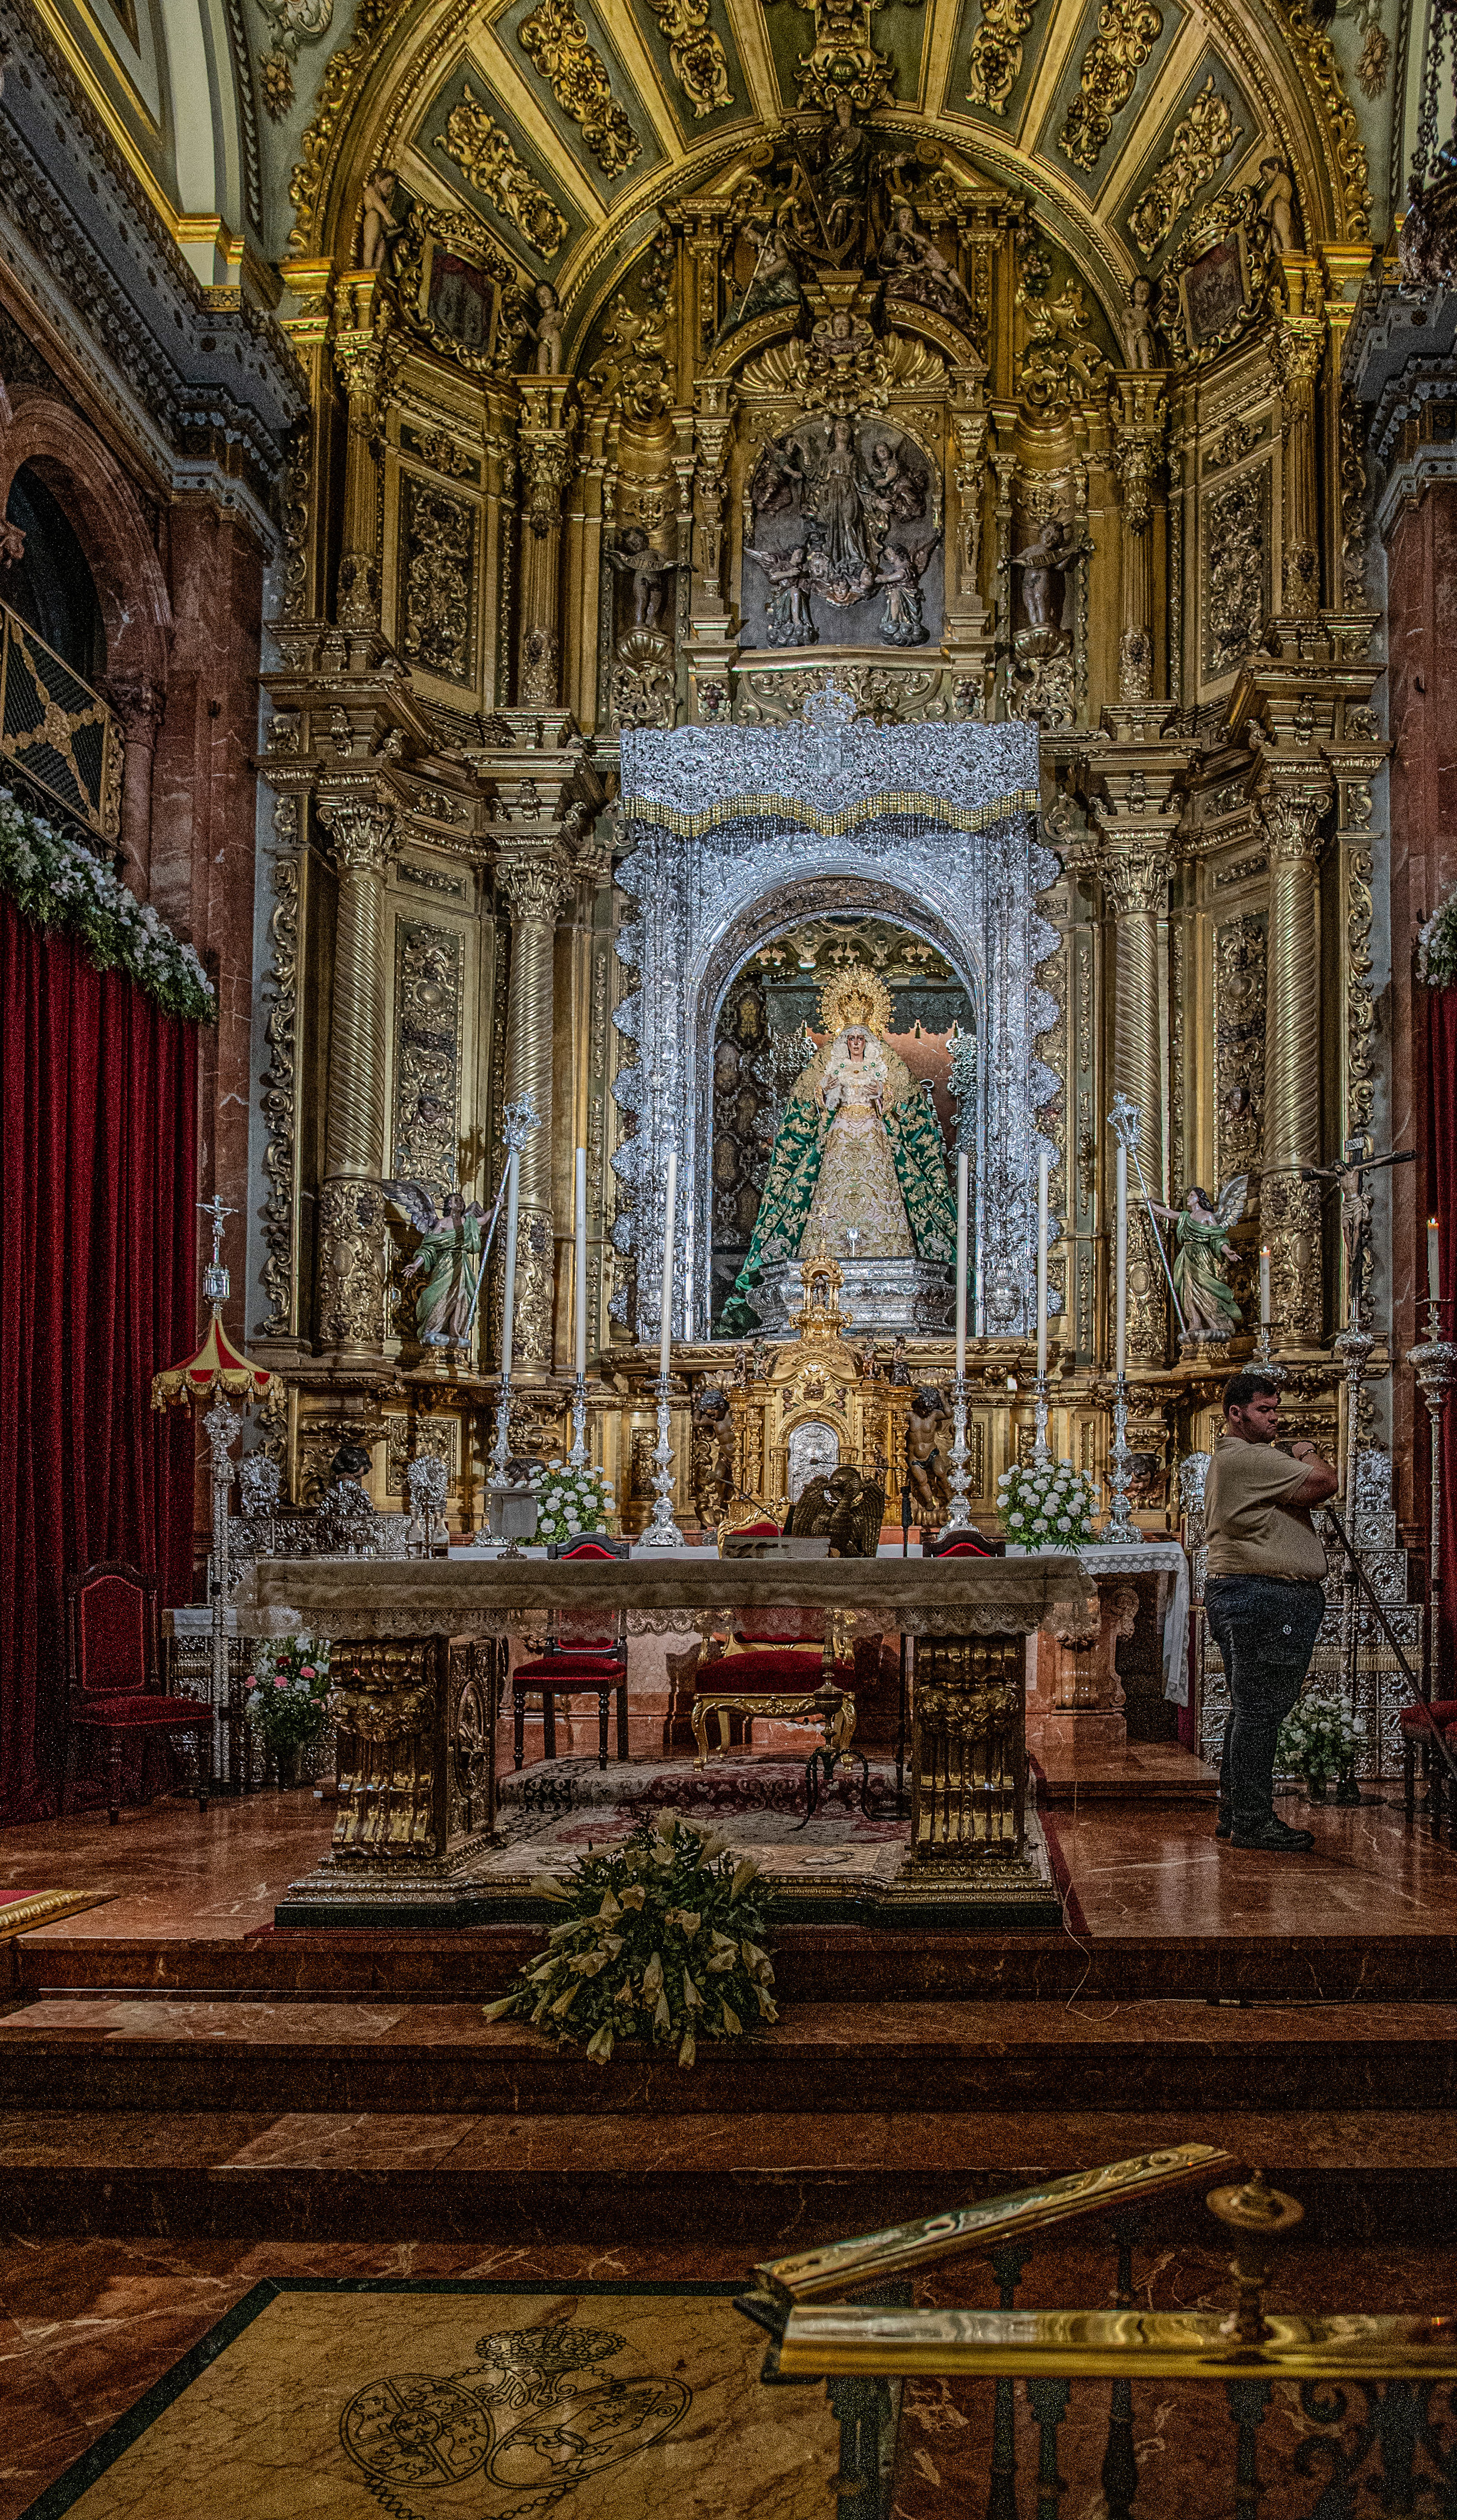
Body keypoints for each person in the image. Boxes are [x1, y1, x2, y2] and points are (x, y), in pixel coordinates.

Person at [1204, 1372, 1337, 1852]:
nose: (1275, 1417)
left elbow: (1305, 1496)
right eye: (1264, 1409)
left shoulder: (1245, 1460)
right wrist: (1304, 1450)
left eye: (1275, 1408)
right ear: (1235, 1413)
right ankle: (1253, 1821)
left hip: (1256, 1595)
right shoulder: (1249, 1457)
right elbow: (1325, 1482)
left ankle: (1236, 1812)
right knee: (1260, 1712)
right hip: (1264, 1596)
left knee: (1251, 1711)